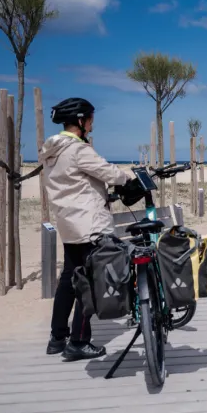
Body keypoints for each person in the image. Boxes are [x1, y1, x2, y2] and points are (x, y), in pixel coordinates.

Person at [41, 98, 132, 361]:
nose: (92, 124)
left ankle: (57, 338)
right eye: (90, 119)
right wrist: (129, 176)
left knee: (69, 280)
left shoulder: (52, 151)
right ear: (80, 121)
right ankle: (79, 341)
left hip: (69, 223)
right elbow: (109, 173)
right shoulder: (78, 150)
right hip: (89, 225)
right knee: (89, 281)